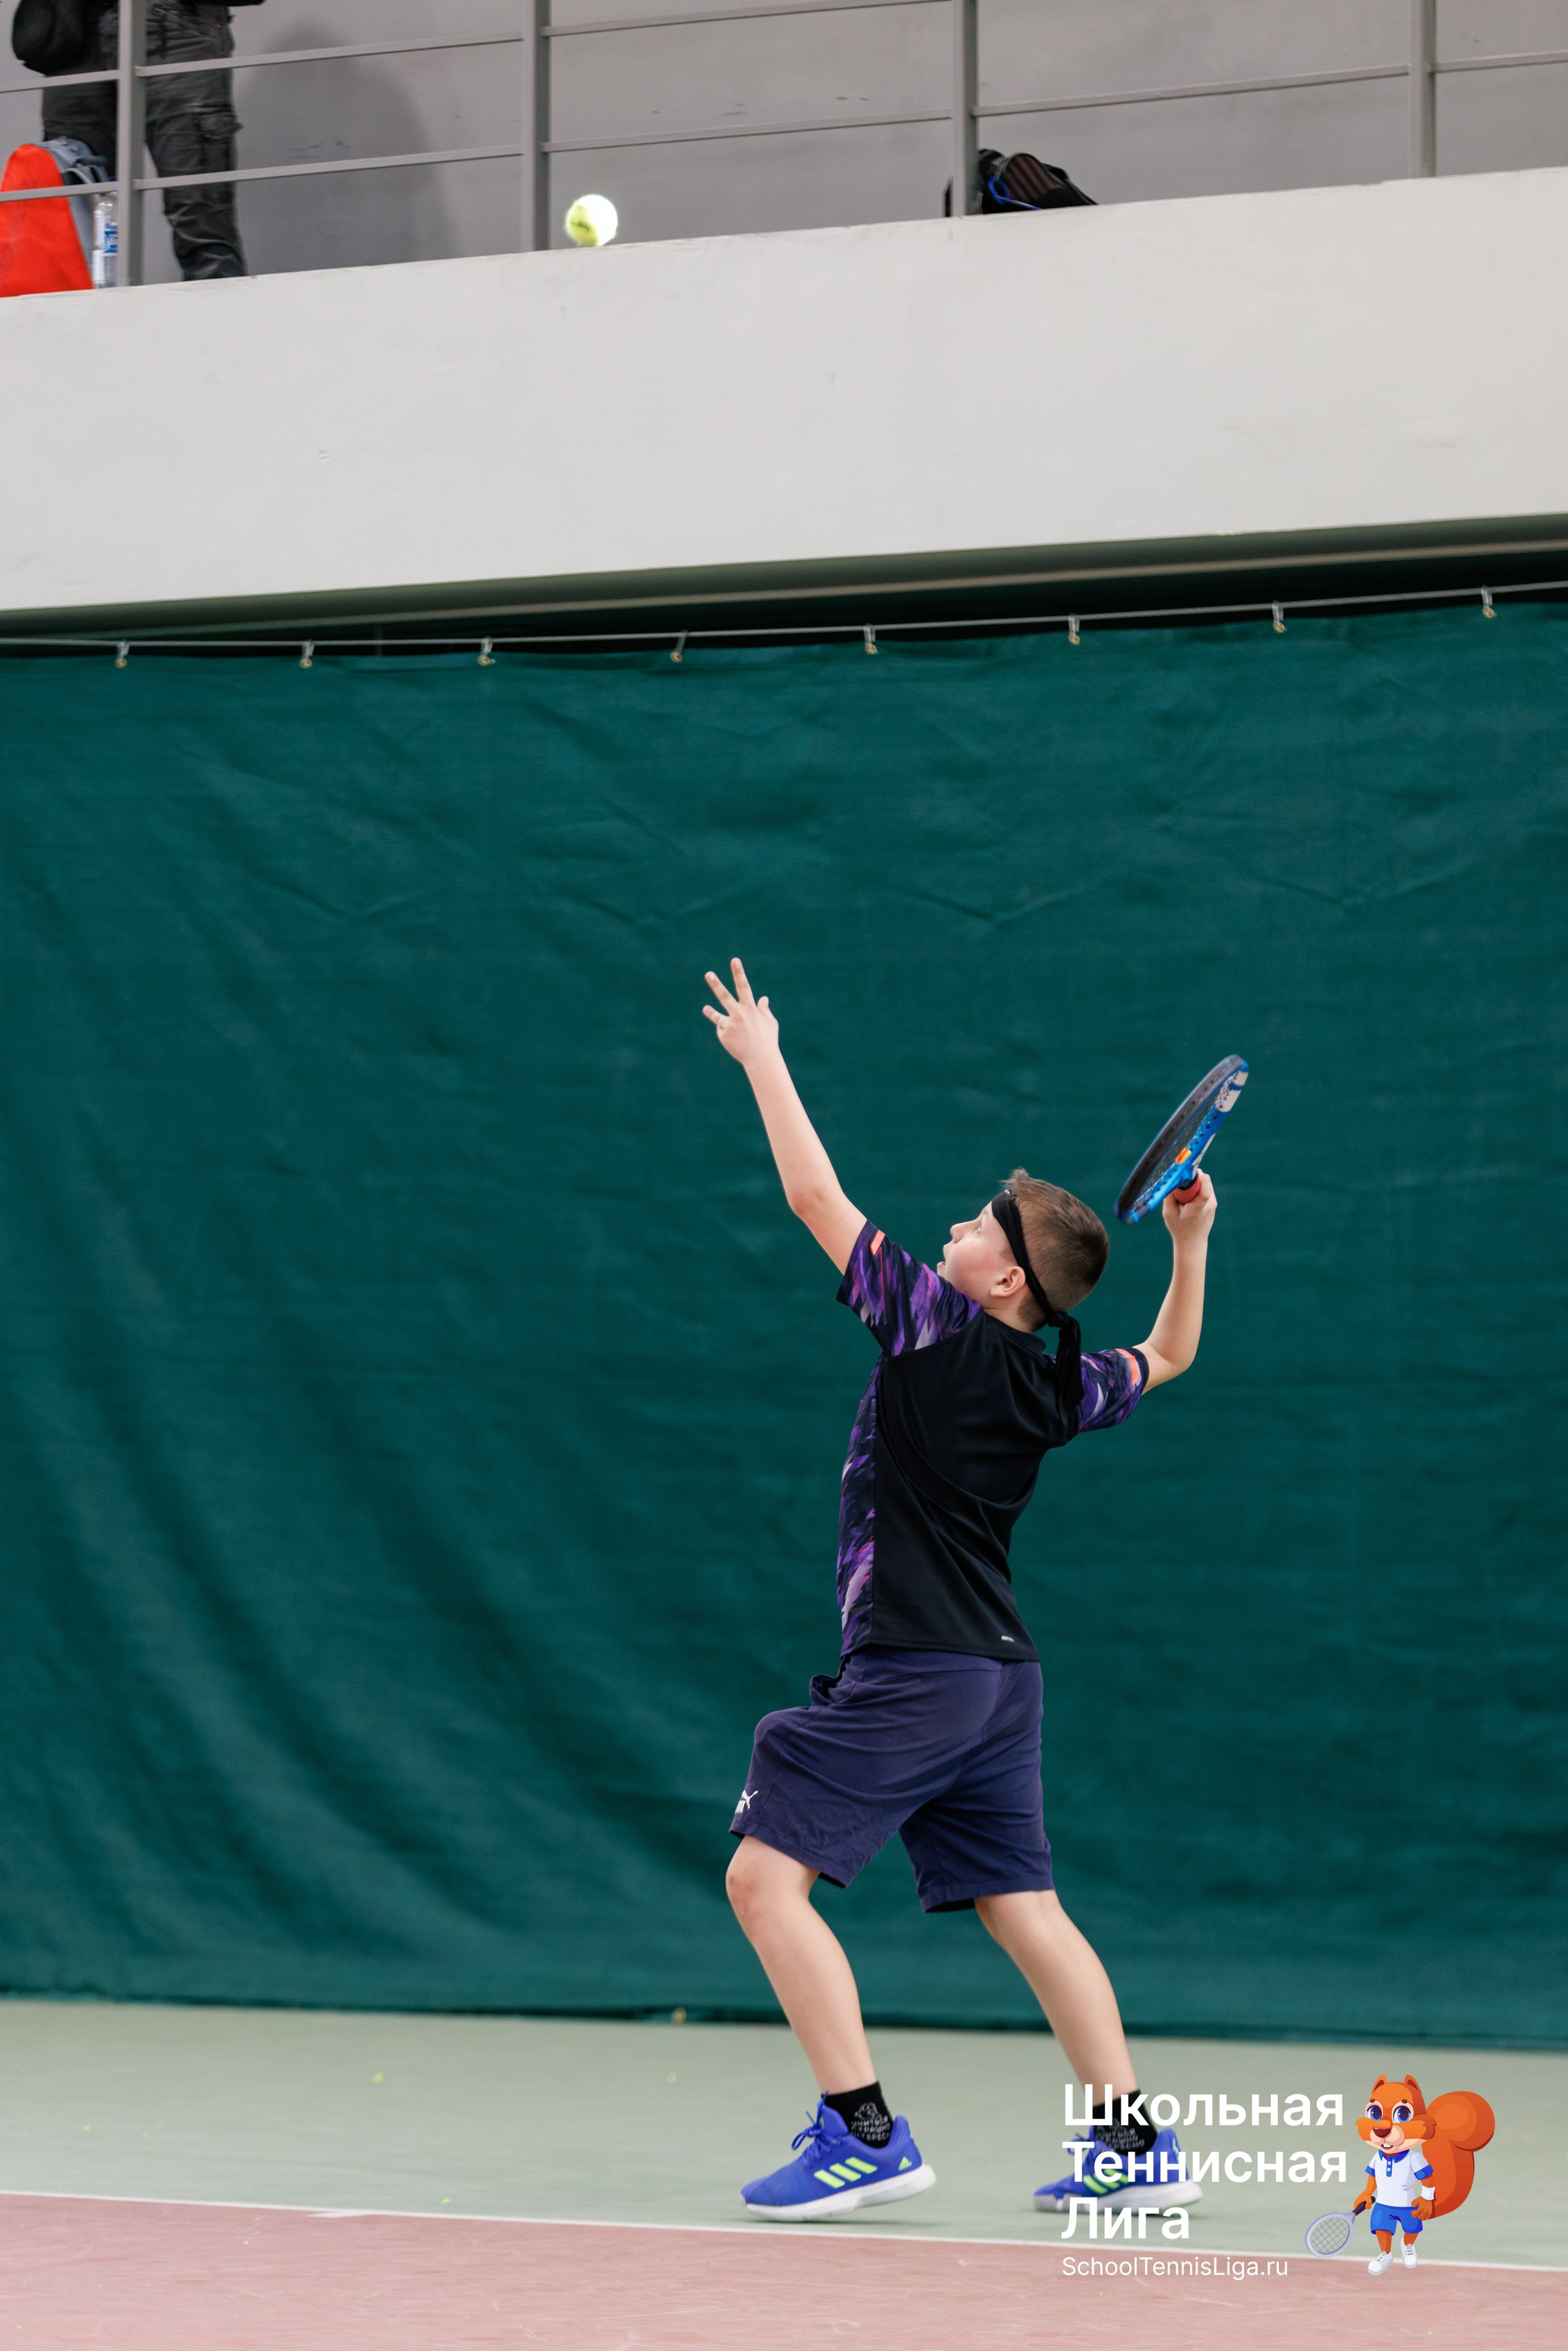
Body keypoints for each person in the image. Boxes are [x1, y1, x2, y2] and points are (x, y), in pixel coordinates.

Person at [702, 956, 1216, 2221]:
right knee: (1025, 1907)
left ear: (1000, 1281)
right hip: (1000, 1682)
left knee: (762, 1879)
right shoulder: (1052, 1381)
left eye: (988, 1223)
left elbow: (811, 1191)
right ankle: (1134, 2145)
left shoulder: (933, 1324)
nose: (969, 1222)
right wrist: (1191, 1242)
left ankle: (860, 2131)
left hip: (921, 1669)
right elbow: (1168, 1351)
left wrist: (761, 1052)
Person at [37, 2, 263, 280]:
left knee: (198, 213)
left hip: (172, 23)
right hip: (73, 30)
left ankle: (215, 317)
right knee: (71, 218)